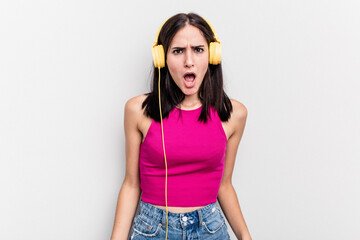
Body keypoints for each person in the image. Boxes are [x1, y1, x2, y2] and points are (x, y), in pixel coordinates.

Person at [110, 12, 251, 240]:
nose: (189, 61)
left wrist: (245, 236)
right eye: (178, 51)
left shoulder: (234, 115)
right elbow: (131, 184)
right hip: (153, 229)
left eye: (198, 49)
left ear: (212, 56)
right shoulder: (137, 111)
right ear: (162, 59)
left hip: (210, 228)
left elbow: (224, 186)